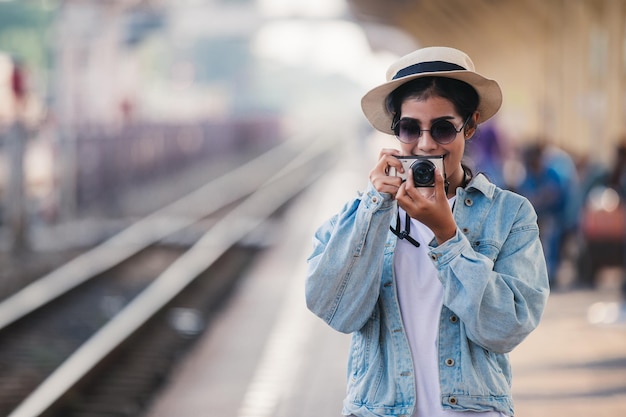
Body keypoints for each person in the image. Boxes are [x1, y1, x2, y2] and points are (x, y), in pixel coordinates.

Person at [305, 47, 550, 417]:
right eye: (409, 128)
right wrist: (374, 208)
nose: (425, 144)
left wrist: (448, 237)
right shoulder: (366, 212)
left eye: (442, 128)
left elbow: (508, 328)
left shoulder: (509, 215)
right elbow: (333, 309)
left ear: (470, 126)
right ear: (395, 130)